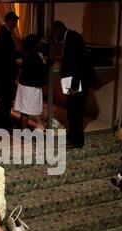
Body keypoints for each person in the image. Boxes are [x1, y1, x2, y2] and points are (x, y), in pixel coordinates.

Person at [51, 21, 97, 149]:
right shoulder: (70, 37)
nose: (55, 37)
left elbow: (78, 64)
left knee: (75, 111)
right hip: (75, 79)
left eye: (54, 33)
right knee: (72, 110)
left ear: (59, 30)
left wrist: (74, 86)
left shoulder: (73, 38)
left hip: (79, 81)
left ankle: (76, 140)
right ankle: (72, 137)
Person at [14, 34, 51, 130]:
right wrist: (49, 62)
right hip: (30, 86)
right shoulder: (32, 55)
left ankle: (22, 129)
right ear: (34, 43)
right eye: (39, 42)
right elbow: (42, 70)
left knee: (24, 111)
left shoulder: (28, 53)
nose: (41, 43)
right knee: (26, 111)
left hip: (26, 84)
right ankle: (24, 132)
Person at [0, 11, 19, 130]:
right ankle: (4, 121)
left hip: (3, 72)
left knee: (4, 98)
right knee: (5, 98)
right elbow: (5, 54)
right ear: (9, 20)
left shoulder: (4, 32)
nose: (16, 25)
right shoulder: (4, 33)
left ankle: (1, 120)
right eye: (15, 22)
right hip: (5, 72)